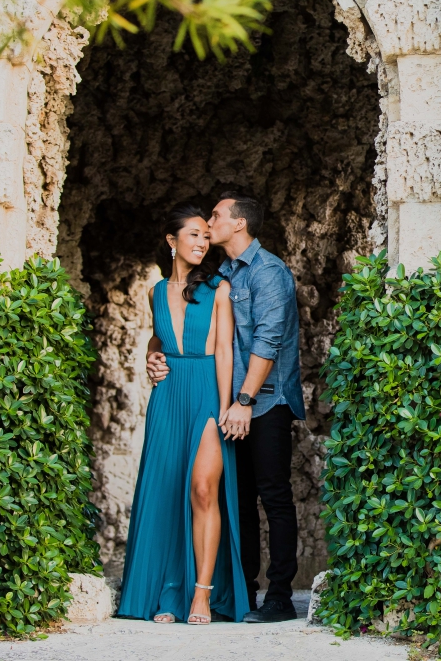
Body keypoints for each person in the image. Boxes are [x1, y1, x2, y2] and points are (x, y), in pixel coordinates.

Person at [149, 190, 302, 623]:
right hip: (230, 404)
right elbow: (186, 329)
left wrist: (244, 401)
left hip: (265, 401)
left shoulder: (268, 271)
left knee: (274, 496)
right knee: (239, 495)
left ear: (238, 224)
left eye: (215, 217)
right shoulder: (223, 274)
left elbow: (268, 342)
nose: (208, 224)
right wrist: (155, 353)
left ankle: (279, 596)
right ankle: (243, 589)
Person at [116, 205, 252, 624]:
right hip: (168, 396)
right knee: (168, 493)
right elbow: (157, 340)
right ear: (171, 241)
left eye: (204, 236)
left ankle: (202, 593)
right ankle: (170, 593)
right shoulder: (156, 291)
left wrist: (230, 403)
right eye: (192, 234)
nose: (200, 242)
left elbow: (227, 348)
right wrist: (151, 359)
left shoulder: (219, 287)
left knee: (202, 490)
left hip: (206, 393)